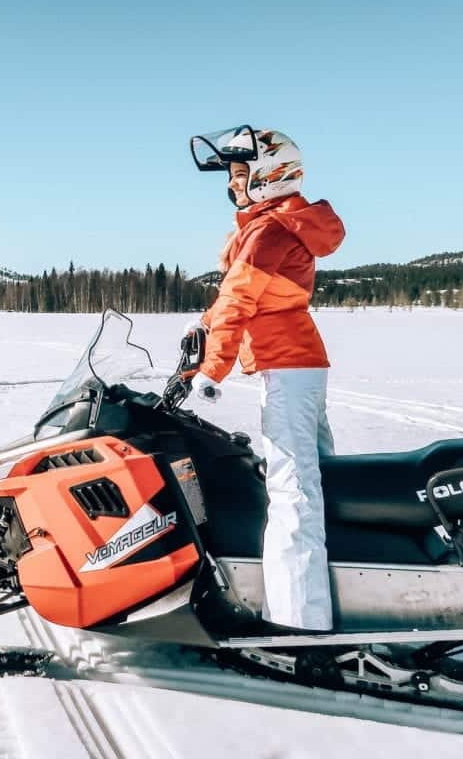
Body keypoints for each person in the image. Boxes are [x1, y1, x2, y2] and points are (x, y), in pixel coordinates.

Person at [181, 127, 345, 633]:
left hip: (288, 367)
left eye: (239, 175)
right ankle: (353, 583)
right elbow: (233, 300)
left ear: (267, 176)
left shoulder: (269, 231)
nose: (232, 186)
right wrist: (201, 331)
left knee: (293, 491)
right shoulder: (275, 226)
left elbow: (240, 300)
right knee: (317, 478)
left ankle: (299, 623)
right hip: (294, 362)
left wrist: (212, 370)